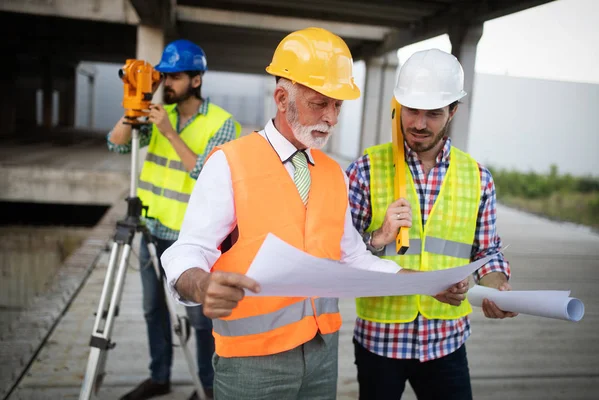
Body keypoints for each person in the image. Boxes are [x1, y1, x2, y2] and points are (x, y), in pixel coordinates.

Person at [160, 28, 468, 400]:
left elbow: (352, 257)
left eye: (338, 105)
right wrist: (200, 284)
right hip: (253, 364)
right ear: (281, 96)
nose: (332, 118)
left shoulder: (333, 172)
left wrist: (425, 282)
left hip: (323, 356)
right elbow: (188, 249)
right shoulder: (230, 162)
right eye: (320, 103)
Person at [346, 48, 518, 400]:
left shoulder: (478, 178)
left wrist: (497, 286)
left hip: (446, 341)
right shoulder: (365, 169)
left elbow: (488, 251)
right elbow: (342, 253)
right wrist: (378, 237)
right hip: (381, 340)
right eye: (411, 110)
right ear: (397, 103)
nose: (419, 123)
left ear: (453, 110)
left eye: (433, 113)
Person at [107, 39, 241, 400]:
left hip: (192, 240)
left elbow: (205, 172)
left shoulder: (223, 124)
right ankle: (159, 376)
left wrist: (168, 131)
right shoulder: (155, 110)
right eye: (164, 76)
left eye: (175, 77)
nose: (167, 83)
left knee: (200, 319)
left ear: (196, 80)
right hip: (151, 231)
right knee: (153, 309)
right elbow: (116, 143)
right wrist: (133, 105)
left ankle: (208, 386)